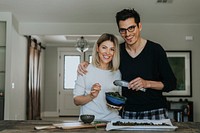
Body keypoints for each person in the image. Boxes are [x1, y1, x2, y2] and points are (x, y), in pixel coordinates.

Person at [77, 8, 177, 120]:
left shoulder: (155, 50)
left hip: (155, 110)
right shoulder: (117, 52)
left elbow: (171, 83)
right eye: (123, 30)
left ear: (139, 26)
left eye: (131, 28)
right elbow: (103, 65)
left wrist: (147, 83)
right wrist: (86, 64)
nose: (127, 34)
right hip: (127, 112)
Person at [73, 33, 122, 121]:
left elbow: (118, 99)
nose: (107, 52)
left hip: (113, 120)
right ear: (97, 48)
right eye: (104, 47)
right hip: (89, 121)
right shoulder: (85, 69)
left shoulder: (117, 73)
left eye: (112, 49)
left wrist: (117, 104)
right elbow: (76, 101)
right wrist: (91, 96)